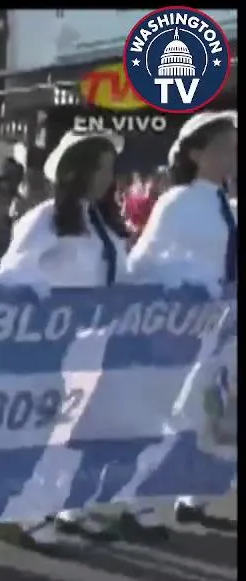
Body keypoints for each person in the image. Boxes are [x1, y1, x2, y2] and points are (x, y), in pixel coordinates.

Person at [0, 130, 138, 548]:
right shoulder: (45, 221)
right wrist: (50, 305)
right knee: (45, 432)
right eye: (102, 168)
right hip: (55, 345)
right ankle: (29, 513)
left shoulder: (104, 222)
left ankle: (70, 504)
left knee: (83, 432)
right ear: (78, 172)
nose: (109, 177)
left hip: (97, 345)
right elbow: (12, 277)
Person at [128, 110, 238, 529]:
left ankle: (197, 498)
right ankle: (140, 504)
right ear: (195, 154)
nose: (232, 156)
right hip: (185, 328)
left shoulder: (227, 206)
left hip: (225, 330)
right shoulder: (177, 203)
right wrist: (188, 284)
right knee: (171, 416)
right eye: (223, 148)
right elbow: (144, 264)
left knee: (219, 416)